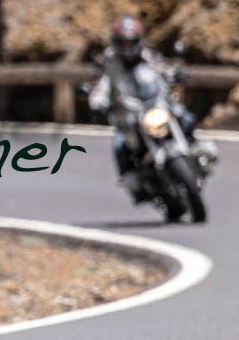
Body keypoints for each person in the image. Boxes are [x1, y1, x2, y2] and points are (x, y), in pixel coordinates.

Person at [87, 14, 212, 200]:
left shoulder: (147, 54)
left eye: (131, 42)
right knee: (120, 145)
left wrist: (175, 73)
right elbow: (99, 85)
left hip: (154, 103)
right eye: (123, 42)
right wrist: (97, 103)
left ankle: (196, 148)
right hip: (128, 113)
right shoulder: (107, 61)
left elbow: (163, 67)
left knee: (184, 116)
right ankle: (134, 184)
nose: (127, 47)